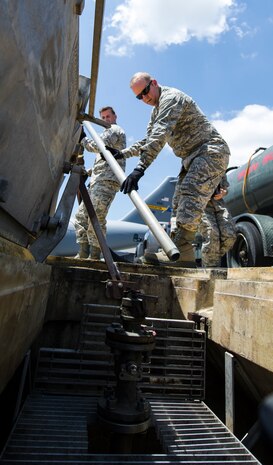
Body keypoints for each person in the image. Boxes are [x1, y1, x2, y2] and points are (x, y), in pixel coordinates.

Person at [118, 72, 231, 264]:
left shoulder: (171, 98)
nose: (144, 98)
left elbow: (159, 136)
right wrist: (122, 153)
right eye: (139, 97)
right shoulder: (156, 111)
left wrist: (139, 169)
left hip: (209, 151)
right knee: (178, 202)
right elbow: (148, 140)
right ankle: (182, 253)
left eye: (145, 92)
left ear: (154, 83)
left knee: (189, 193)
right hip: (191, 158)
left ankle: (183, 250)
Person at [74, 106, 126, 259]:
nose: (105, 120)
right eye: (102, 118)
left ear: (115, 116)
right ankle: (83, 252)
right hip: (98, 180)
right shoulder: (108, 132)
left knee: (95, 217)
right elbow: (102, 163)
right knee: (81, 216)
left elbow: (99, 146)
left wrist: (82, 139)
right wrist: (88, 172)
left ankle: (95, 254)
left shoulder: (114, 130)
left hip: (107, 181)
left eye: (108, 116)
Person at [198, 174, 236, 267]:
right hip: (202, 203)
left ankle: (213, 258)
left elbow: (225, 187)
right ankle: (210, 269)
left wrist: (224, 192)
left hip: (218, 204)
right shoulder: (197, 161)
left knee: (230, 235)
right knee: (211, 233)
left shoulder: (221, 164)